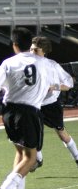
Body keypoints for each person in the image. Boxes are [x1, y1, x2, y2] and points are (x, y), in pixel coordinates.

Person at [0, 26, 56, 189]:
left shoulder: (8, 62)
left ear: (14, 45)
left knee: (20, 153)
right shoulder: (43, 62)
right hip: (29, 112)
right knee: (31, 157)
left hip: (9, 111)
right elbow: (49, 85)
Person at [28, 36, 78, 171]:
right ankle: (38, 159)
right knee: (32, 133)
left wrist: (54, 87)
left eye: (36, 50)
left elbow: (69, 83)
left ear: (44, 51)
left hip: (50, 105)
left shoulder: (52, 65)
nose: (32, 53)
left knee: (61, 133)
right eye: (31, 49)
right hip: (33, 105)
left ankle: (77, 157)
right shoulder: (25, 65)